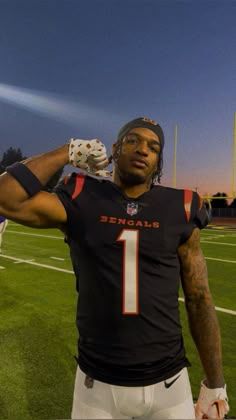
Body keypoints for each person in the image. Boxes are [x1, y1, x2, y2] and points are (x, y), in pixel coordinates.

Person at [0, 117, 229, 419]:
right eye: (132, 140)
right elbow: (6, 197)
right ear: (115, 149)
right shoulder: (83, 196)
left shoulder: (181, 206)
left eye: (153, 146)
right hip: (97, 384)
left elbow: (199, 298)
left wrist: (215, 384)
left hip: (169, 383)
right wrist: (65, 152)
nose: (143, 149)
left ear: (159, 160)